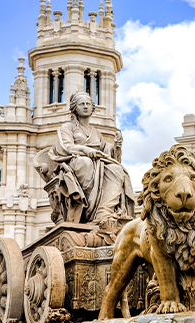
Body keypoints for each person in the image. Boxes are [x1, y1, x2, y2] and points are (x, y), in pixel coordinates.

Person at [48, 91, 134, 225]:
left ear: (92, 108)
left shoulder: (96, 132)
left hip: (98, 163)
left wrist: (116, 146)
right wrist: (86, 150)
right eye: (81, 104)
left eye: (88, 104)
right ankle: (87, 210)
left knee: (117, 169)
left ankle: (103, 212)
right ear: (75, 108)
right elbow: (66, 147)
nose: (85, 106)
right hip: (76, 162)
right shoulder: (67, 128)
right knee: (85, 162)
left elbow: (107, 152)